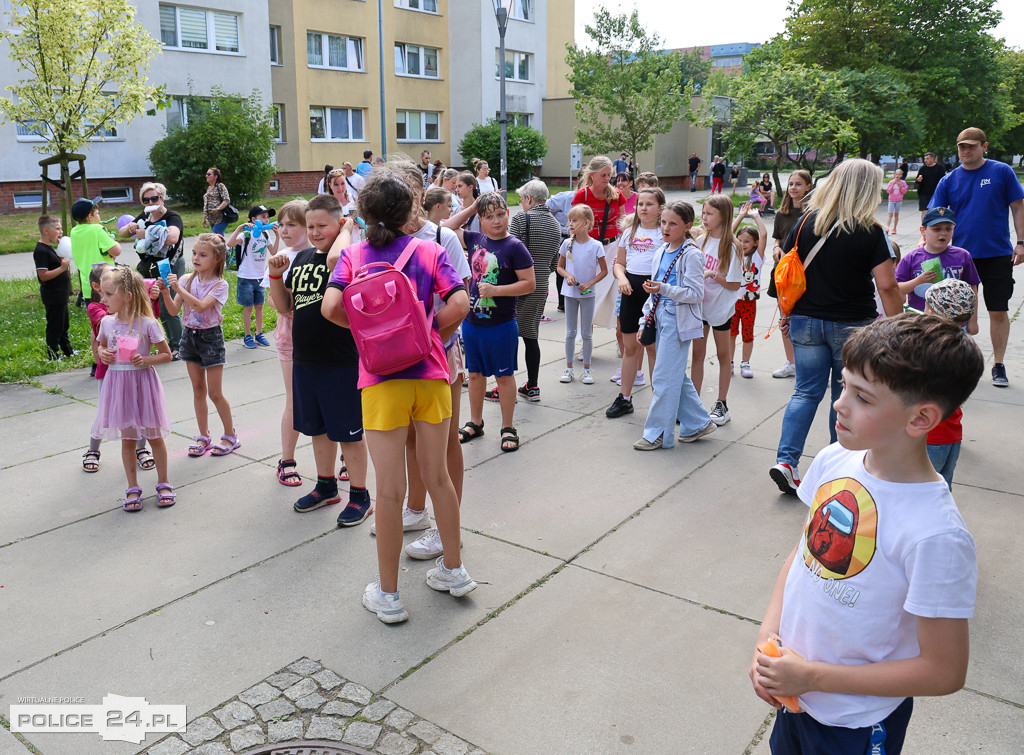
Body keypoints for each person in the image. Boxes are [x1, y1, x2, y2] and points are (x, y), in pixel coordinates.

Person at [751, 314, 983, 755]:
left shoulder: (936, 535)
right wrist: (768, 643)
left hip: (854, 724)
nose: (839, 403)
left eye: (863, 397)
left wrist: (814, 677)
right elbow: (802, 557)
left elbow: (944, 672)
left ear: (921, 419)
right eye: (844, 385)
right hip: (794, 699)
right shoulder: (835, 459)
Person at [320, 170, 473, 624]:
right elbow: (461, 304)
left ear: (362, 214)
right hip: (430, 375)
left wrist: (373, 337)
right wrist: (423, 333)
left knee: (388, 492)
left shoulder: (351, 256)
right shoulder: (428, 250)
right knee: (439, 477)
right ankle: (454, 570)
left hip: (381, 382)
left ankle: (388, 595)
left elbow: (331, 308)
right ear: (411, 211)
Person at [768, 159, 903, 495]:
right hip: (852, 325)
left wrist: (787, 311)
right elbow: (887, 285)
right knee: (845, 396)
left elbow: (787, 272)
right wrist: (899, 325)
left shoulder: (804, 222)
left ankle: (786, 461)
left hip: (805, 321)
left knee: (805, 391)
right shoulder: (871, 231)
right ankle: (836, 467)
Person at [374, 166, 472, 563]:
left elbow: (462, 300)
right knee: (411, 439)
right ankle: (415, 510)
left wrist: (426, 338)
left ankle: (448, 529)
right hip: (395, 361)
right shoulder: (378, 241)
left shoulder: (440, 236)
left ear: (420, 194)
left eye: (410, 189)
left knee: (444, 443)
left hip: (439, 352)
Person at [266, 194, 371, 524]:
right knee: (318, 430)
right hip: (307, 360)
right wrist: (274, 276)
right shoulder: (300, 258)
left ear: (340, 224)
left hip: (341, 359)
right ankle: (326, 486)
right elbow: (284, 307)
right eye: (309, 226)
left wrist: (348, 229)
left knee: (349, 434)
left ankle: (359, 494)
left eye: (321, 225)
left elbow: (335, 258)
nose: (313, 232)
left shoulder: (350, 255)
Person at [928, 126, 1024, 387]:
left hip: (996, 253)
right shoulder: (949, 180)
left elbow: (1017, 207)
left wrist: (1021, 242)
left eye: (971, 146)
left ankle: (999, 364)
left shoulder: (1001, 172)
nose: (965, 151)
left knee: (997, 309)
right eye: (961, 146)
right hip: (958, 256)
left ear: (984, 146)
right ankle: (952, 362)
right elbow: (934, 216)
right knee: (951, 313)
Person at [456, 192, 536, 453]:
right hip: (472, 322)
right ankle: (475, 422)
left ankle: (508, 426)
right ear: (480, 219)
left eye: (500, 214)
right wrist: (471, 209)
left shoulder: (515, 246)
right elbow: (443, 229)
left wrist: (497, 291)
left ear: (508, 214)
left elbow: (529, 284)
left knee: (504, 376)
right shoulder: (474, 238)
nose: (496, 221)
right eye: (489, 216)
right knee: (475, 375)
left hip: (501, 325)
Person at [90, 267, 174, 511]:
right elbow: (99, 350)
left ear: (127, 296)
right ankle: (132, 487)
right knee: (127, 439)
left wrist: (145, 360)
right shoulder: (106, 323)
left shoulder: (148, 323)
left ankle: (164, 482)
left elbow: (167, 355)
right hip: (118, 387)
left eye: (108, 294)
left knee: (154, 436)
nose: (102, 299)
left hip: (143, 385)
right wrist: (103, 355)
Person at [633, 201, 714, 450]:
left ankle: (657, 433)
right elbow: (653, 293)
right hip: (659, 317)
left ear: (687, 226)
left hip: (677, 321)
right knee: (673, 375)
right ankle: (698, 422)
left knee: (663, 378)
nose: (665, 228)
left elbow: (695, 293)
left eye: (673, 223)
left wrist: (664, 289)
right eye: (663, 222)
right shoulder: (661, 250)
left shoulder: (692, 254)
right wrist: (643, 319)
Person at [158, 233, 240, 459]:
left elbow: (202, 307)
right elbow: (174, 311)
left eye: (203, 255)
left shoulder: (220, 285)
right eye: (194, 253)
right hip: (189, 337)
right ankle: (204, 435)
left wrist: (178, 288)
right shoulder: (185, 280)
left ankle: (230, 435)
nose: (196, 258)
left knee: (214, 392)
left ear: (217, 258)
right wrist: (166, 292)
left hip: (210, 339)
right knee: (198, 390)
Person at [491, 179, 563, 402]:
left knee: (507, 336)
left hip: (516, 286)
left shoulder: (523, 218)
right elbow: (554, 262)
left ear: (529, 199)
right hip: (540, 286)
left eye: (522, 199)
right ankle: (532, 387)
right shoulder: (555, 224)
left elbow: (507, 250)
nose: (521, 204)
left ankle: (504, 388)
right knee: (531, 336)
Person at [262, 199, 309, 488]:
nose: (285, 230)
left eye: (292, 224)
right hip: (291, 335)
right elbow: (273, 299)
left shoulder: (328, 255)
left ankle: (345, 455)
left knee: (334, 395)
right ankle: (287, 459)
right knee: (295, 399)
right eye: (282, 224)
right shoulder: (282, 257)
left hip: (325, 335)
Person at [607, 187, 665, 418]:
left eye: (649, 204)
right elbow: (619, 263)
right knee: (630, 348)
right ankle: (625, 398)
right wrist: (621, 278)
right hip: (630, 291)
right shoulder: (629, 232)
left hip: (654, 293)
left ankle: (659, 400)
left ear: (661, 208)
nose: (643, 208)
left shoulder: (664, 232)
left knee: (652, 348)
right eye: (640, 204)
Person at [691, 194, 743, 426]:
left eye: (709, 213)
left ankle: (722, 403)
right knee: (697, 356)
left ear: (723, 216)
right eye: (703, 212)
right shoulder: (701, 239)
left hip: (720, 310)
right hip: (699, 308)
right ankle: (692, 404)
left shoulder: (732, 247)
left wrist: (713, 275)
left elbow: (734, 284)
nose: (704, 217)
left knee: (724, 356)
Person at [119, 182, 185, 358]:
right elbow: (123, 233)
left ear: (162, 198)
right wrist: (130, 228)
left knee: (167, 306)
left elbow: (172, 237)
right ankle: (165, 343)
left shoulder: (172, 217)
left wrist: (145, 232)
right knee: (150, 306)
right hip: (149, 267)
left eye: (154, 198)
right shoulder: (145, 216)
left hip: (169, 265)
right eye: (145, 199)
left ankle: (178, 345)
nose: (150, 202)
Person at [924, 279, 978, 488]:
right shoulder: (966, 347)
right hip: (951, 434)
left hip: (927, 436)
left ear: (936, 313)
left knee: (918, 492)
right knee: (941, 492)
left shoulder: (931, 349)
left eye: (928, 306)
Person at [895, 207, 980, 334]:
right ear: (923, 231)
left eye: (948, 229)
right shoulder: (912, 258)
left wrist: (972, 321)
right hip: (920, 321)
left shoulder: (963, 256)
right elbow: (896, 288)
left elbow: (972, 290)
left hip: (955, 323)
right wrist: (918, 281)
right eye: (936, 229)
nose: (943, 233)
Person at [557, 205, 608, 385]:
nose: (570, 224)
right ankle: (569, 368)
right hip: (570, 294)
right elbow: (560, 267)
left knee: (586, 333)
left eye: (574, 220)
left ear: (586, 223)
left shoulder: (596, 245)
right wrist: (569, 276)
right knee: (570, 332)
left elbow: (604, 271)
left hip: (588, 294)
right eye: (569, 220)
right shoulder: (566, 244)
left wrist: (589, 283)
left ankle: (586, 369)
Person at [770, 170, 813, 379]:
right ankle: (792, 363)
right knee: (784, 319)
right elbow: (778, 238)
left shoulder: (814, 213)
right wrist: (776, 248)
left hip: (805, 273)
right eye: (791, 184)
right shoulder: (782, 213)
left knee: (806, 319)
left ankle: (809, 363)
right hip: (784, 272)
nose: (793, 188)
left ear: (808, 187)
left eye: (798, 184)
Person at [226, 204, 279, 348]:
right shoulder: (246, 235)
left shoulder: (265, 234)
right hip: (246, 277)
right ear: (254, 219)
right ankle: (248, 335)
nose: (267, 220)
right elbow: (230, 243)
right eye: (263, 217)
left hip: (260, 277)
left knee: (259, 306)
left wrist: (277, 234)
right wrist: (240, 228)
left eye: (268, 217)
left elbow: (273, 251)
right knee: (248, 307)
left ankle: (259, 334)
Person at [730, 204, 767, 380]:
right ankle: (728, 362)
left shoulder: (757, 256)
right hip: (732, 301)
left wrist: (755, 216)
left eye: (747, 241)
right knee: (730, 333)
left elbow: (764, 234)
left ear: (755, 243)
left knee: (747, 333)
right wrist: (741, 215)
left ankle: (745, 363)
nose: (743, 244)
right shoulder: (733, 253)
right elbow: (729, 233)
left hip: (749, 302)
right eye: (741, 240)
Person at [34, 214, 73, 360]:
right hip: (53, 295)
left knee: (64, 325)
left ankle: (68, 351)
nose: (61, 232)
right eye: (57, 229)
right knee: (54, 327)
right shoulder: (41, 251)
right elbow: (43, 275)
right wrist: (62, 268)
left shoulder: (50, 248)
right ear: (46, 230)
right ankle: (53, 354)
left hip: (60, 295)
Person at [70, 196, 120, 299]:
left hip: (87, 287)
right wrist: (113, 240)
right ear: (90, 217)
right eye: (97, 213)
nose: (99, 216)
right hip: (106, 286)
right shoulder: (98, 229)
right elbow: (116, 251)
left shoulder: (74, 231)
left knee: (94, 314)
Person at [545, 188, 575, 312]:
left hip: (582, 238)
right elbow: (545, 209)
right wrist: (558, 226)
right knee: (561, 270)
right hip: (563, 238)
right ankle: (563, 303)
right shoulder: (564, 198)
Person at [915, 152, 945, 221]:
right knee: (924, 211)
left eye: (927, 158)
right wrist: (918, 180)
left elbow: (943, 181)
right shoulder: (923, 168)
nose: (925, 160)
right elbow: (917, 181)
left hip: (936, 193)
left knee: (939, 211)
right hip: (924, 194)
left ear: (933, 159)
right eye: (925, 158)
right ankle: (924, 228)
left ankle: (938, 226)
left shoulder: (940, 168)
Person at [202, 167, 231, 235]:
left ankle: (228, 246)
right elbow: (206, 204)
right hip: (212, 220)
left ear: (215, 176)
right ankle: (227, 246)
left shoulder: (220, 186)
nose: (206, 176)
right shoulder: (209, 188)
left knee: (215, 238)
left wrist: (217, 209)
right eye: (206, 174)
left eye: (209, 174)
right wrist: (204, 217)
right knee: (218, 240)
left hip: (221, 218)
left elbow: (226, 200)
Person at [886, 169, 909, 234]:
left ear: (901, 175)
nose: (897, 175)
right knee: (890, 214)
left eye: (899, 174)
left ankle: (894, 228)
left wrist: (901, 187)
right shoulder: (891, 182)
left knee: (896, 214)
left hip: (898, 200)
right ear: (894, 175)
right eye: (896, 174)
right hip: (891, 200)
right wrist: (892, 185)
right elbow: (888, 191)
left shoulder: (903, 182)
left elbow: (904, 192)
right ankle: (887, 228)